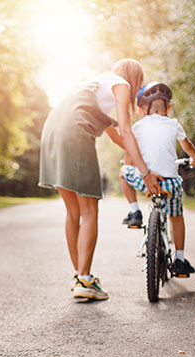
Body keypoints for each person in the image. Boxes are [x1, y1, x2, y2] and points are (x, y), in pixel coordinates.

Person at [38, 59, 162, 300]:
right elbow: (126, 131)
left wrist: (139, 163)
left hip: (51, 131)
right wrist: (146, 174)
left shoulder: (94, 87)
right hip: (74, 133)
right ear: (134, 78)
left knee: (73, 212)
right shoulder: (121, 85)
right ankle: (84, 278)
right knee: (90, 211)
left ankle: (81, 277)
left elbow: (118, 138)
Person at [117, 81, 195, 277]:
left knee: (123, 172)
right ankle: (180, 260)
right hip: (169, 183)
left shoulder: (138, 127)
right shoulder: (173, 124)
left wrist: (131, 165)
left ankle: (135, 212)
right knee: (176, 216)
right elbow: (187, 145)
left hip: (145, 180)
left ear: (141, 108)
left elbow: (130, 157)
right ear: (168, 107)